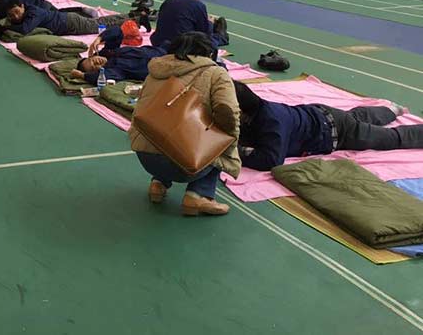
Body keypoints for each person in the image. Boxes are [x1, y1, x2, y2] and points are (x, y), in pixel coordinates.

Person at [130, 32, 240, 216]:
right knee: (221, 142)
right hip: (185, 162)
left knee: (164, 131)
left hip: (145, 155)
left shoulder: (155, 70)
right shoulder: (216, 73)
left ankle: (158, 183)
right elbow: (229, 114)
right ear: (209, 52)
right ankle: (198, 194)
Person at [234, 81, 423, 171]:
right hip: (322, 116)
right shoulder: (255, 112)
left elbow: (271, 160)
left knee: (389, 138)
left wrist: (238, 151)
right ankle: (392, 109)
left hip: (335, 131)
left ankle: (400, 116)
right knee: (357, 117)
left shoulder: (271, 121)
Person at [73, 23, 166, 85]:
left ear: (94, 55)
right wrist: (82, 75)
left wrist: (100, 38)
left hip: (161, 49)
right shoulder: (114, 70)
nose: (96, 62)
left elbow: (118, 31)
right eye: (93, 67)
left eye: (92, 60)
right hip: (164, 65)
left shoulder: (109, 51)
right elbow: (99, 78)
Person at [150, 0, 227, 50]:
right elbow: (205, 33)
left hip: (160, 43)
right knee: (208, 40)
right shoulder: (198, 5)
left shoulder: (167, 1)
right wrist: (210, 23)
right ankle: (221, 36)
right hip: (182, 45)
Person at [3, 1, 127, 36]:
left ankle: (132, 20)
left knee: (102, 27)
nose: (16, 16)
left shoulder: (34, 13)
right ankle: (131, 16)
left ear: (22, 6)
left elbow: (25, 29)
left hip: (71, 23)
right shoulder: (29, 11)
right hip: (68, 20)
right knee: (101, 22)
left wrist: (5, 27)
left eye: (17, 12)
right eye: (12, 15)